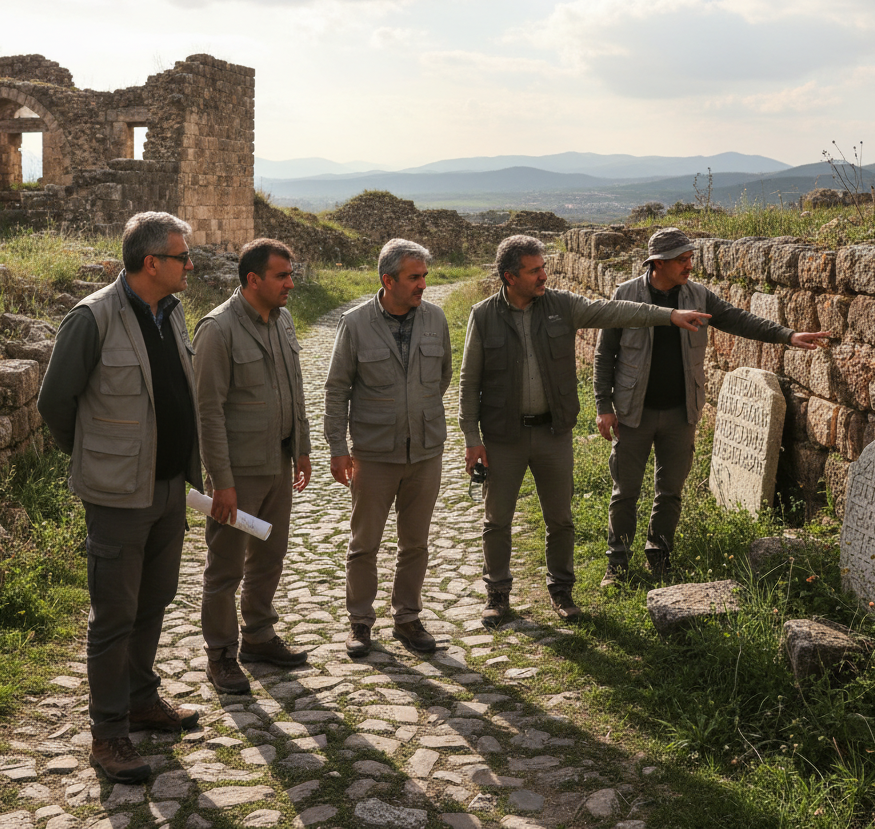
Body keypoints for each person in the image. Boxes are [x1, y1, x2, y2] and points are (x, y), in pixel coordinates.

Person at [459, 234, 711, 628]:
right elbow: (468, 379)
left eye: (544, 267)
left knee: (560, 519)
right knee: (497, 520)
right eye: (535, 270)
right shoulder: (483, 315)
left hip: (553, 434)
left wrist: (669, 316)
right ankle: (498, 594)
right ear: (510, 277)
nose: (544, 275)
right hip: (502, 435)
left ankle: (561, 591)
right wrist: (471, 438)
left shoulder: (562, 305)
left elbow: (616, 312)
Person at [38, 212, 201, 784]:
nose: (190, 265)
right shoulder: (92, 318)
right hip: (116, 496)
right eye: (183, 257)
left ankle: (140, 698)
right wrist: (98, 459)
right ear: (152, 262)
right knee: (114, 616)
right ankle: (108, 736)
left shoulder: (172, 312)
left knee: (153, 600)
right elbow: (55, 404)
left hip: (167, 489)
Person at [594, 227, 829, 586]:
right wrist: (603, 405)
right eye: (682, 259)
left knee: (670, 491)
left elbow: (739, 319)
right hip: (632, 412)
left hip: (681, 411)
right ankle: (618, 564)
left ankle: (659, 555)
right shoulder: (626, 295)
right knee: (625, 492)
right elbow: (604, 354)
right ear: (658, 263)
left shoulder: (698, 295)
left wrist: (788, 335)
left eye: (691, 257)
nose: (690, 264)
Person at [324, 239, 452, 657]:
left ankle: (408, 618)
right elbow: (336, 388)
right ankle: (360, 622)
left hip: (425, 452)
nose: (423, 285)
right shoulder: (356, 323)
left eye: (424, 276)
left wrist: (418, 414)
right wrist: (338, 448)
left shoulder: (435, 319)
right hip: (374, 454)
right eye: (414, 277)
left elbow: (443, 377)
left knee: (415, 543)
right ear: (388, 280)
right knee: (364, 544)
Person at [194, 238, 312, 690]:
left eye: (290, 273)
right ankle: (220, 654)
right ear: (253, 280)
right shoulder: (217, 330)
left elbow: (294, 387)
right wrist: (221, 482)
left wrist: (301, 448)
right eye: (282, 275)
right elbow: (208, 412)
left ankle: (259, 636)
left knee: (270, 556)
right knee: (226, 567)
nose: (290, 283)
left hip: (278, 463)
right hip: (237, 473)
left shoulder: (282, 323)